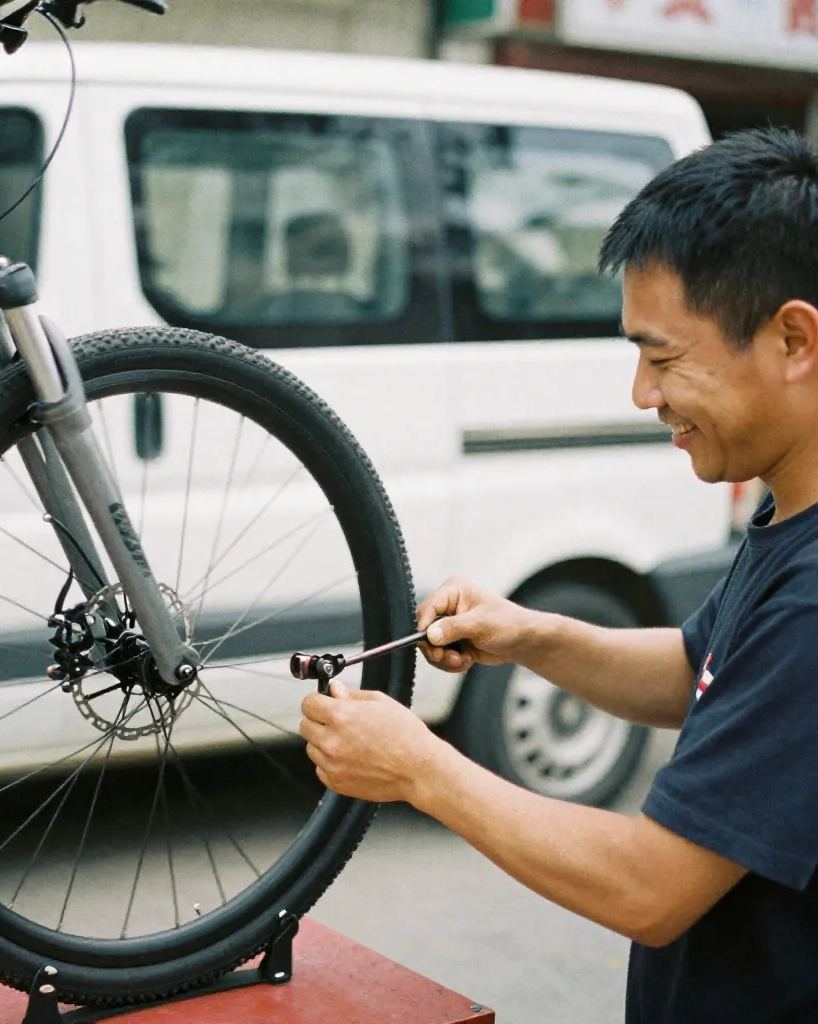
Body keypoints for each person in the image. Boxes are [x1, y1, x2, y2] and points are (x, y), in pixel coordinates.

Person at [299, 127, 818, 1023]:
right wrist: (534, 635)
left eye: (664, 358)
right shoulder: (789, 513)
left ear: (794, 339)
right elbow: (700, 670)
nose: (642, 395)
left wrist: (422, 769)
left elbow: (651, 888)